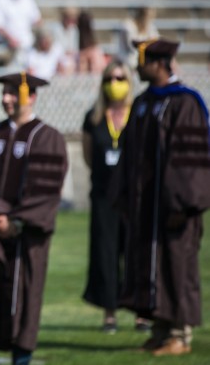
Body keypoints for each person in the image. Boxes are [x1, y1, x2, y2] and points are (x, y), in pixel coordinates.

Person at [113, 39, 210, 356]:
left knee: (177, 267)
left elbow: (190, 160)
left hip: (174, 209)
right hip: (146, 209)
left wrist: (184, 204)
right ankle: (160, 328)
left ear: (159, 63)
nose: (137, 68)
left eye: (141, 62)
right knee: (151, 265)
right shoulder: (143, 102)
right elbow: (128, 155)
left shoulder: (186, 102)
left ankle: (181, 335)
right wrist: (124, 195)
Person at [0, 72, 68, 365]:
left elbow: (45, 192)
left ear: (32, 96)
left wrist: (16, 222)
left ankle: (22, 356)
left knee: (24, 291)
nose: (6, 98)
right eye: (5, 93)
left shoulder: (48, 137)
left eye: (14, 93)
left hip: (26, 236)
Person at [81, 61, 134, 333]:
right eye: (109, 78)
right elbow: (89, 157)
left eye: (120, 77)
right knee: (106, 252)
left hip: (133, 196)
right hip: (103, 196)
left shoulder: (138, 114)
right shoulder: (94, 117)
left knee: (135, 251)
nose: (115, 83)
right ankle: (110, 312)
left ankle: (141, 313)